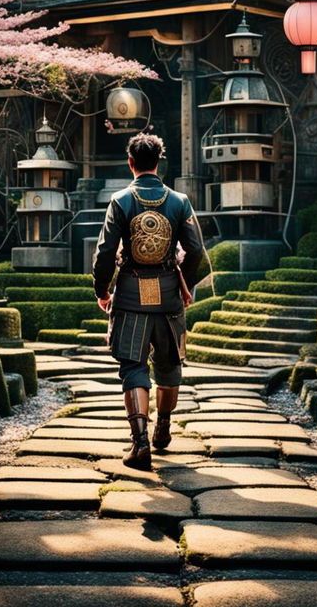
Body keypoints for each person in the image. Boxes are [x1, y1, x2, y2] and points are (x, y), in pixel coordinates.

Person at [92, 132, 206, 471]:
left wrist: (102, 290)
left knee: (133, 367)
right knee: (169, 367)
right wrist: (181, 279)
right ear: (159, 163)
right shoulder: (179, 202)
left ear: (131, 163)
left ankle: (139, 442)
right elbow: (197, 250)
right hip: (169, 296)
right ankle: (163, 429)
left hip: (129, 295)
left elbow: (104, 252)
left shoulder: (121, 201)